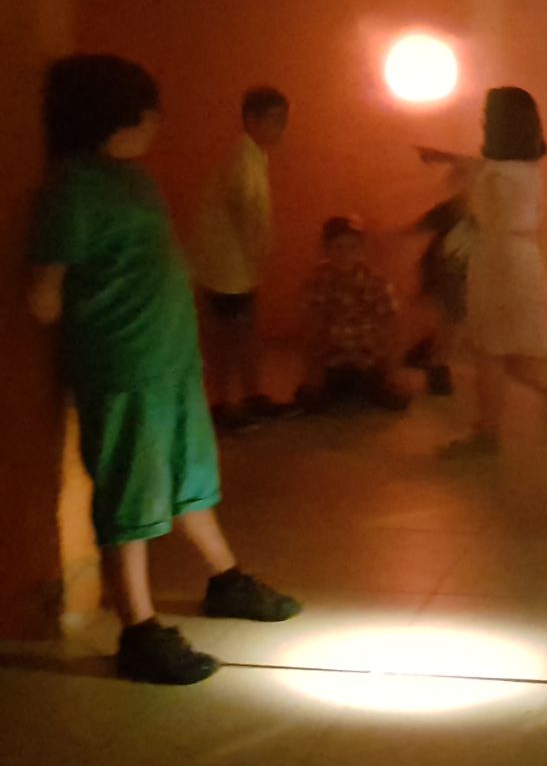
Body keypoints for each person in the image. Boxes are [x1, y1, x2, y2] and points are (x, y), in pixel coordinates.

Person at [29, 55, 300, 686]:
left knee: (187, 475)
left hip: (170, 358)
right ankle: (139, 627)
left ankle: (225, 578)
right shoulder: (72, 188)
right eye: (149, 112)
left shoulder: (134, 179)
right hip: (123, 366)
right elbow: (45, 294)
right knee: (131, 493)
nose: (157, 122)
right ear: (116, 117)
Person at [441, 87, 547, 457]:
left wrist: (463, 181)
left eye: (488, 115)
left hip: (498, 261)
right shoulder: (527, 170)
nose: (483, 120)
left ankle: (487, 433)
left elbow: (481, 212)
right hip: (520, 257)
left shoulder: (495, 174)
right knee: (507, 352)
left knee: (490, 350)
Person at [193, 85, 293, 431]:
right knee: (227, 337)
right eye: (275, 119)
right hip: (227, 267)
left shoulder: (252, 155)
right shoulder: (242, 159)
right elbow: (248, 213)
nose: (281, 128)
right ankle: (224, 405)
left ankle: (250, 396)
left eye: (284, 120)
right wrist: (260, 252)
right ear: (251, 119)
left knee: (244, 333)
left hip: (235, 266)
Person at [295, 216, 409, 413]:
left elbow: (392, 324)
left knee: (396, 399)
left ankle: (365, 388)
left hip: (368, 362)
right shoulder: (318, 281)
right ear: (327, 249)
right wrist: (312, 371)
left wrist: (393, 370)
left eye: (352, 248)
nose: (345, 254)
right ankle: (340, 391)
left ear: (361, 249)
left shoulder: (375, 281)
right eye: (338, 248)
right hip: (333, 363)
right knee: (308, 400)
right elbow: (311, 327)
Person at [403, 149, 474, 397]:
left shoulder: (476, 209)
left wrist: (438, 156)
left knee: (451, 320)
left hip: (454, 270)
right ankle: (437, 366)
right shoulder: (453, 209)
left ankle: (428, 354)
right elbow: (418, 228)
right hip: (447, 270)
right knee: (454, 321)